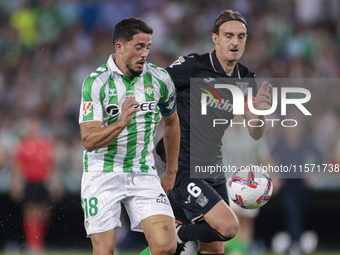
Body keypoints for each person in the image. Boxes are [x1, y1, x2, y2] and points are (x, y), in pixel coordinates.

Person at [153, 9, 273, 255]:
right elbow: (153, 87)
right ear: (215, 38)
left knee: (215, 247)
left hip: (213, 166)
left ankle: (177, 233)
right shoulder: (192, 65)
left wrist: (260, 112)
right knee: (228, 227)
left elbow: (255, 132)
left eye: (241, 36)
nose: (235, 42)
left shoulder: (245, 77)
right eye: (229, 35)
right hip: (184, 163)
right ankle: (175, 234)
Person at [79, 17, 180, 255]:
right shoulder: (95, 83)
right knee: (104, 252)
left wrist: (171, 171)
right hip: (101, 173)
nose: (144, 53)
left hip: (142, 171)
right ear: (119, 47)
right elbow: (89, 140)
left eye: (147, 47)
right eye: (138, 47)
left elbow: (172, 123)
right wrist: (120, 123)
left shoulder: (160, 79)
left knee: (166, 246)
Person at [10, 117, 63, 254]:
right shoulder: (23, 146)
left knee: (44, 214)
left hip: (43, 183)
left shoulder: (47, 145)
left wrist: (56, 184)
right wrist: (15, 185)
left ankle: (37, 242)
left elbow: (52, 166)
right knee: (30, 213)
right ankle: (34, 245)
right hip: (30, 182)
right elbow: (17, 167)